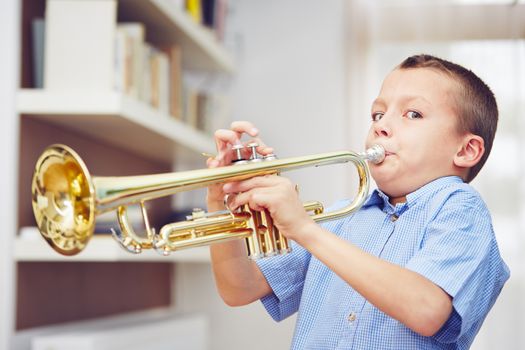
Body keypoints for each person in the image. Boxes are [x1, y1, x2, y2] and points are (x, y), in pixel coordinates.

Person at [205, 54, 510, 349]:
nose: (380, 126)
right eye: (378, 114)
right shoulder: (341, 216)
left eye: (413, 114)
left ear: (466, 150)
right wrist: (220, 200)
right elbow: (239, 288)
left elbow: (427, 309)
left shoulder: (461, 209)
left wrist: (304, 229)